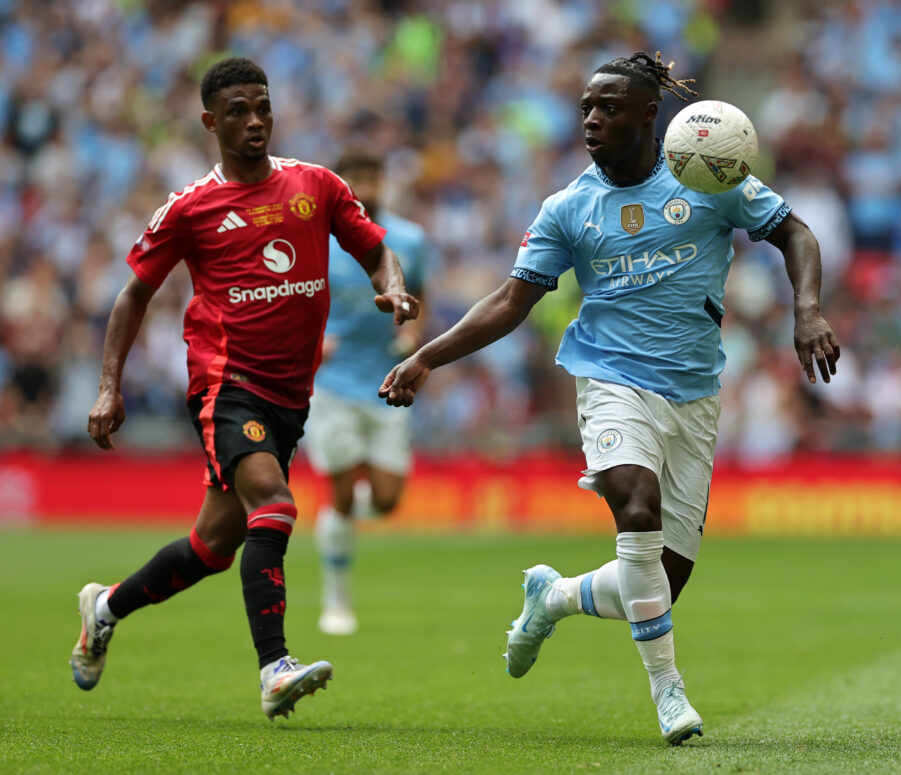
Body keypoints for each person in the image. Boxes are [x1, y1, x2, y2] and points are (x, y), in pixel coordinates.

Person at [379, 52, 839, 745]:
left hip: (693, 395)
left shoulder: (706, 175)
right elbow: (511, 301)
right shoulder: (569, 208)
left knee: (655, 581)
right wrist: (427, 356)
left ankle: (554, 596)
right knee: (635, 506)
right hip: (610, 381)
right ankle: (669, 691)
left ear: (650, 115)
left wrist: (806, 308)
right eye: (587, 106)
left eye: (610, 107)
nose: (592, 119)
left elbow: (795, 231)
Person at [70, 57, 420, 720]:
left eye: (262, 106)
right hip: (227, 384)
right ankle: (273, 667)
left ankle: (106, 606)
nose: (255, 121)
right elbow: (132, 294)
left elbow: (376, 247)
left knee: (211, 547)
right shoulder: (190, 208)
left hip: (292, 396)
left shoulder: (316, 186)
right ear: (210, 120)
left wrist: (391, 284)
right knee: (276, 502)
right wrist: (107, 386)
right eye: (238, 110)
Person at [304, 147, 431, 636]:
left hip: (386, 380)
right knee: (339, 494)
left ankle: (333, 524)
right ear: (344, 184)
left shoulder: (409, 239)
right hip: (332, 383)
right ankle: (336, 600)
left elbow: (422, 291)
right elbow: (297, 296)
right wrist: (316, 339)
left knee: (386, 499)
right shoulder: (318, 238)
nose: (368, 186)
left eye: (374, 176)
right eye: (357, 178)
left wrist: (414, 335)